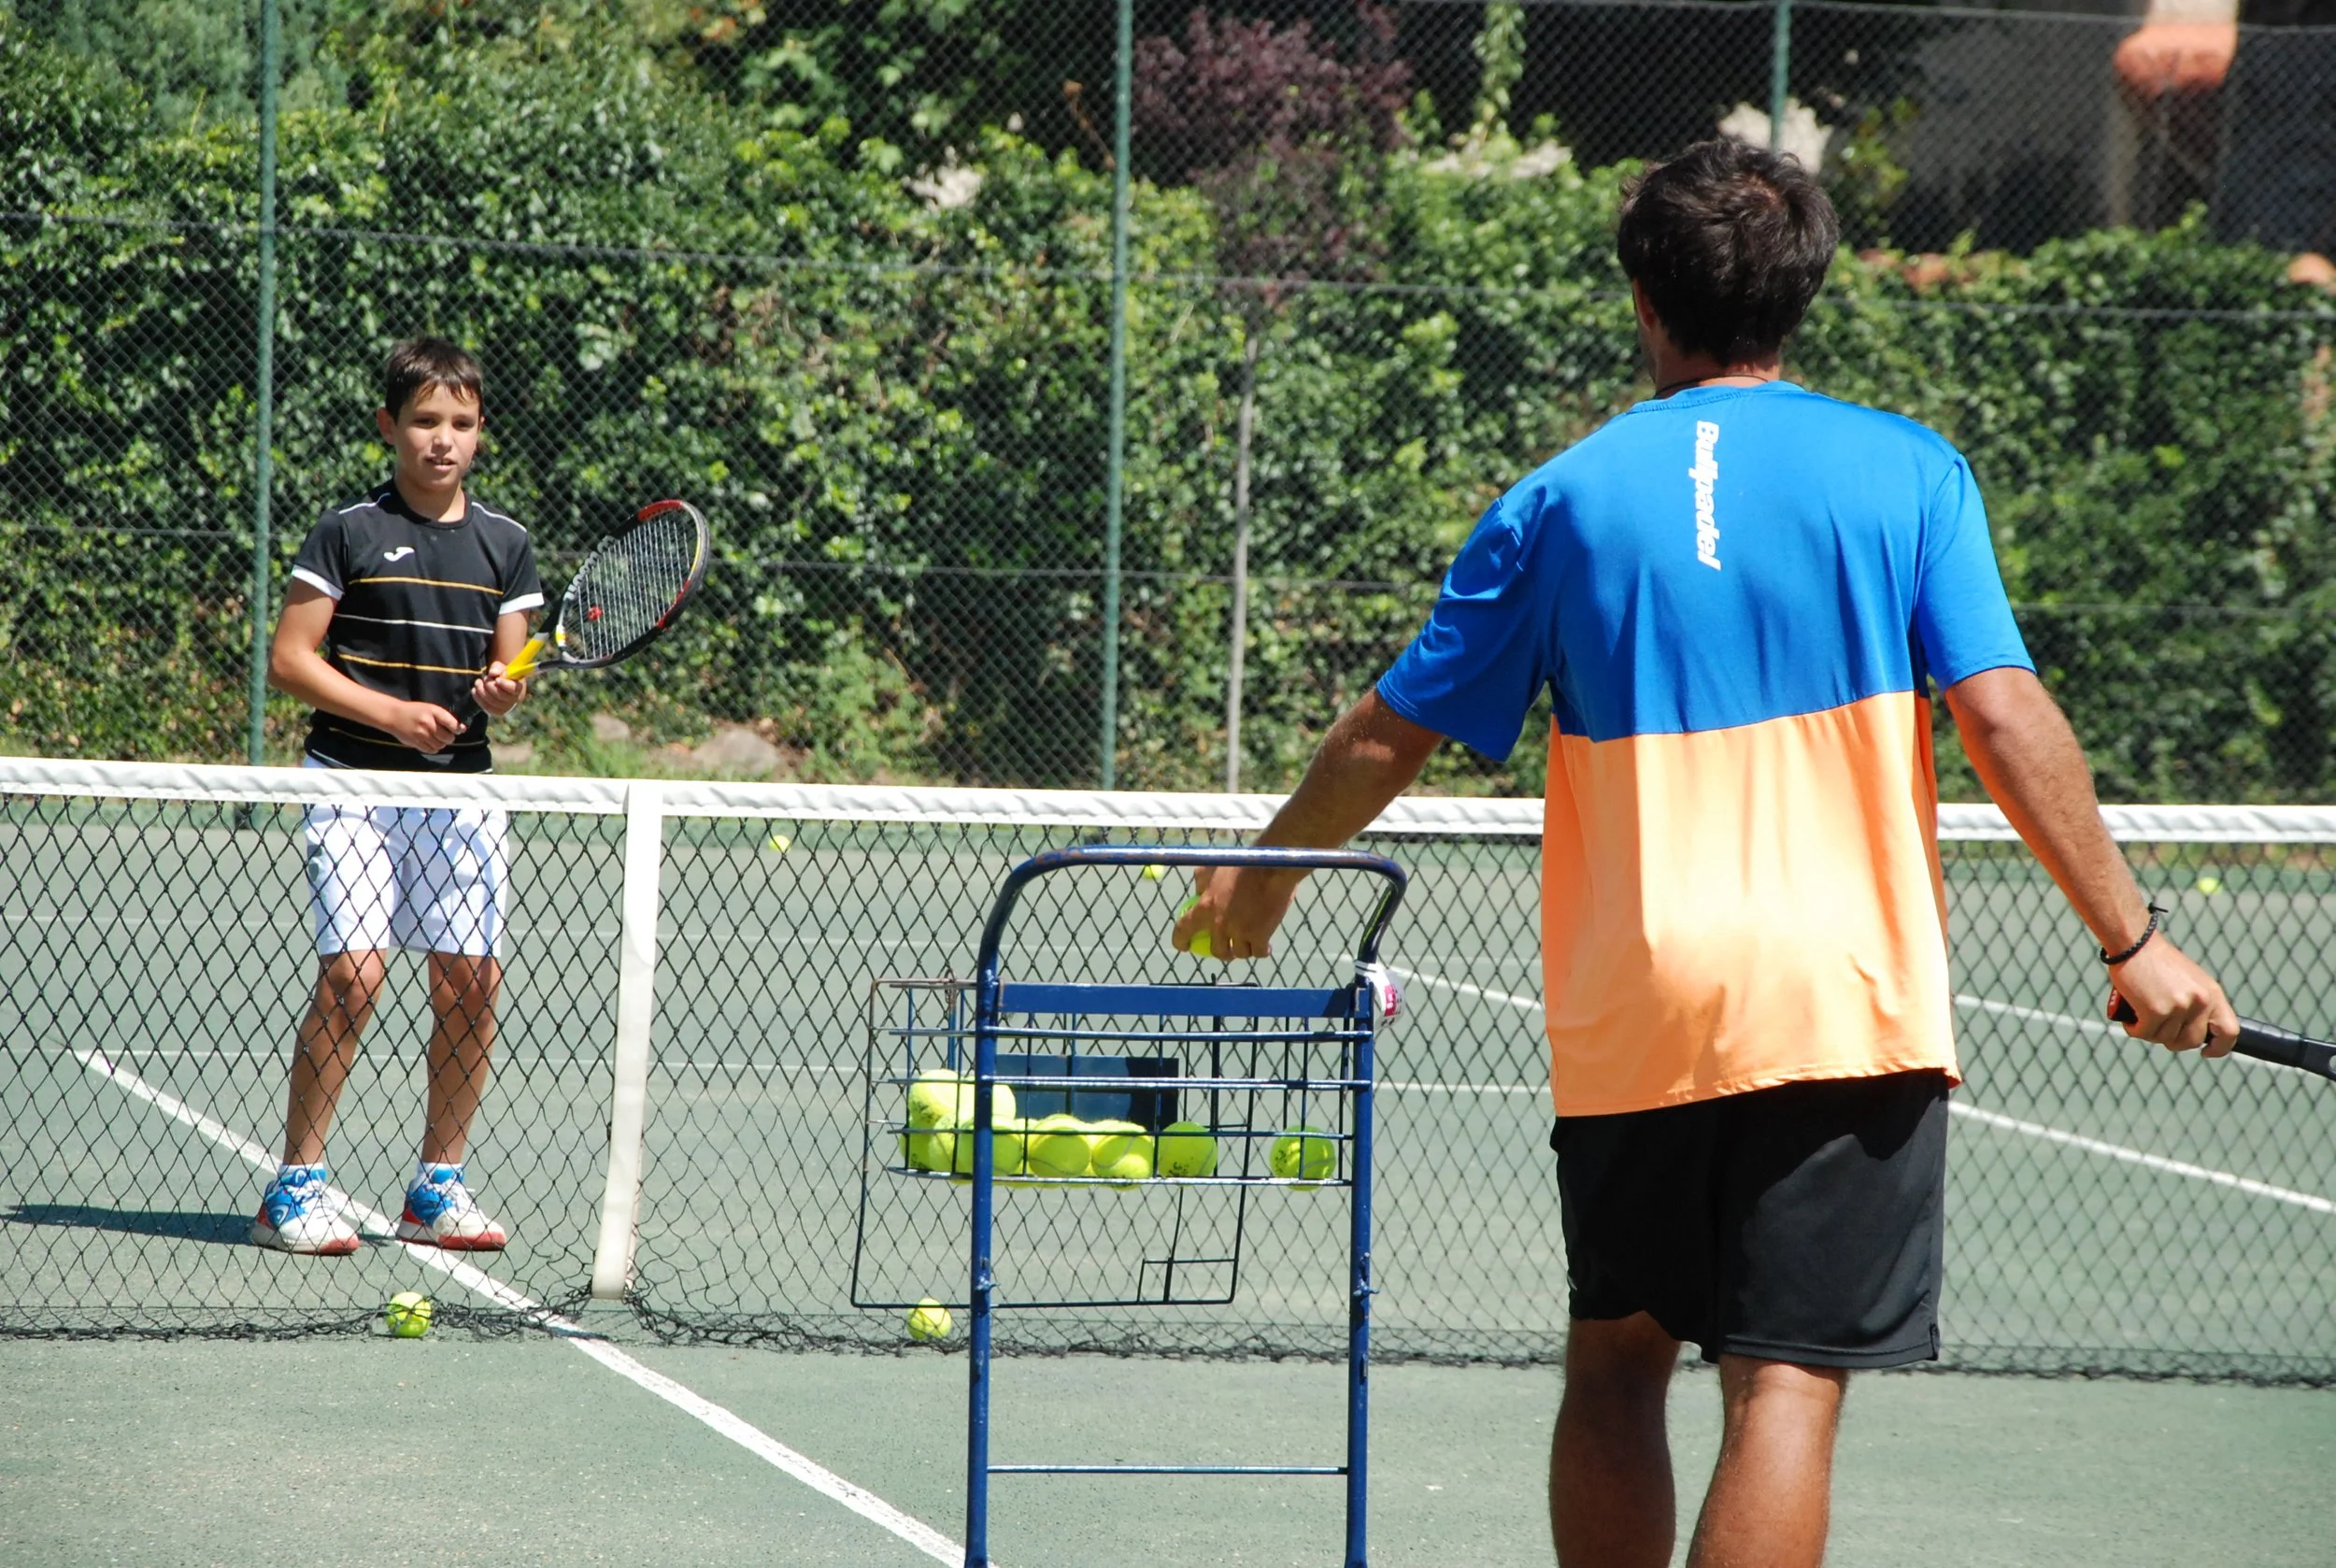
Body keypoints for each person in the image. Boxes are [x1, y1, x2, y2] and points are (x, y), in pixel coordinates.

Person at [1175, 139, 2239, 1568]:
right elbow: (2000, 712)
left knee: (1616, 1360)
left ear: (1643, 299)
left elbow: (1391, 730)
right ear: (1802, 293)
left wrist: (1265, 872)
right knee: (1785, 1385)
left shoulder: (1558, 498)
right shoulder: (1912, 472)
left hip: (1640, 1004)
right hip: (1845, 998)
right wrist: (2133, 938)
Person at [249, 337, 543, 1256]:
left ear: (480, 433)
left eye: (459, 423)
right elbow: (290, 659)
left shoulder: (507, 543)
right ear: (390, 426)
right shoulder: (346, 532)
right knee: (354, 974)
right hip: (352, 783)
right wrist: (390, 713)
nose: (441, 439)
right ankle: (295, 1186)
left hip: (462, 796)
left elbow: (510, 668)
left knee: (470, 984)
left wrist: (502, 692)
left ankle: (436, 1186)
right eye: (424, 421)